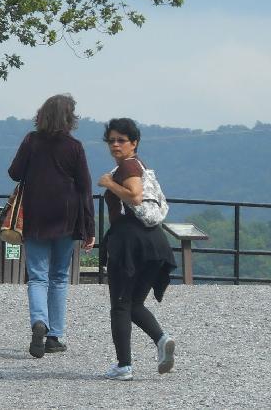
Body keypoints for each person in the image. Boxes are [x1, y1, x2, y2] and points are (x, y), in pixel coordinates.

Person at [8, 94, 96, 358]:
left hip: (35, 216)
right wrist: (89, 229)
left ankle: (39, 321)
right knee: (59, 277)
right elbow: (85, 188)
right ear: (69, 118)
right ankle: (54, 336)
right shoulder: (75, 147)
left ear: (42, 115)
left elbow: (14, 173)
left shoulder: (31, 141)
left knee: (37, 276)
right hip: (66, 218)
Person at [97, 117, 177, 381]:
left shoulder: (128, 166)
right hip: (155, 243)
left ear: (134, 143)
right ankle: (162, 339)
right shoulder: (141, 166)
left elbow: (135, 196)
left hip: (130, 243)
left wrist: (109, 184)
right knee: (134, 303)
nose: (115, 145)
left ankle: (124, 366)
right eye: (111, 141)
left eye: (121, 140)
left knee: (120, 305)